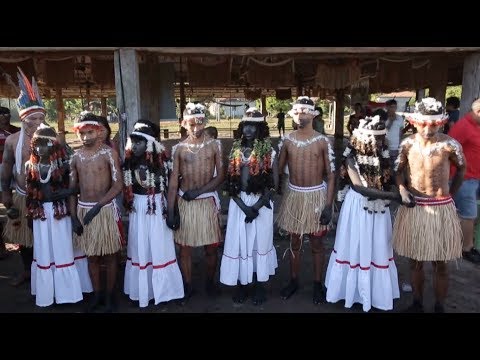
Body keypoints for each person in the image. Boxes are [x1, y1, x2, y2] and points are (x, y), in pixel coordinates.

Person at [393, 97, 465, 313]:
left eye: (433, 124)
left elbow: (461, 169)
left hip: (441, 207)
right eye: (424, 123)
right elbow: (397, 171)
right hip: (415, 208)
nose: (428, 128)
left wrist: (450, 196)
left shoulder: (449, 145)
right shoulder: (407, 143)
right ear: (415, 122)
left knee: (440, 263)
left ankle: (440, 306)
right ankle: (416, 303)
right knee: (415, 260)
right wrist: (402, 189)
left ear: (441, 122)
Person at [325, 115, 401, 312]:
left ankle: (374, 293)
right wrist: (394, 196)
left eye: (381, 138)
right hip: (358, 207)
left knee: (376, 245)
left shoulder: (383, 158)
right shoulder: (351, 158)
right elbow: (360, 188)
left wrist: (399, 191)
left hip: (379, 209)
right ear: (364, 138)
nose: (379, 142)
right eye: (375, 138)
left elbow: (392, 178)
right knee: (356, 243)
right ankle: (352, 292)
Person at [276, 96, 336, 304]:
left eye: (304, 112)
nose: (300, 116)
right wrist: (276, 189)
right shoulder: (288, 140)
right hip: (294, 196)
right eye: (297, 112)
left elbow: (330, 174)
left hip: (316, 197)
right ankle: (294, 280)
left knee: (317, 242)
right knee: (294, 241)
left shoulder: (322, 141)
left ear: (313, 114)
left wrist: (328, 205)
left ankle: (318, 283)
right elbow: (280, 168)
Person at [166, 102, 225, 302]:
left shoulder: (215, 145)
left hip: (206, 201)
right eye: (191, 124)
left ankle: (210, 282)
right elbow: (174, 180)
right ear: (184, 124)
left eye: (199, 123)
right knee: (185, 248)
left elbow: (220, 177)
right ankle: (188, 285)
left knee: (211, 248)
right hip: (185, 202)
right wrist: (171, 209)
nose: (196, 128)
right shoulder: (179, 149)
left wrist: (199, 191)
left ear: (205, 122)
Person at [220, 107, 279, 305]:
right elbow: (229, 183)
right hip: (240, 204)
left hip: (260, 204)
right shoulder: (235, 150)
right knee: (239, 242)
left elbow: (273, 184)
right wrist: (244, 207)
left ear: (261, 128)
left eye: (254, 126)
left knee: (259, 243)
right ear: (241, 127)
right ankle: (242, 284)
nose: (249, 129)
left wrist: (257, 207)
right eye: (246, 125)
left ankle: (259, 285)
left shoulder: (269, 151)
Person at [122, 119, 184, 307]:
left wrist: (172, 211)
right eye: (133, 141)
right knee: (139, 247)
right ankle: (142, 292)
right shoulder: (129, 162)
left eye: (139, 141)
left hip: (157, 207)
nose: (135, 145)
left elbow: (171, 188)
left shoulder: (163, 163)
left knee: (160, 247)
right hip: (138, 209)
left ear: (149, 143)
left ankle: (165, 292)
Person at [25, 124, 88, 307]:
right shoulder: (30, 165)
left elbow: (75, 189)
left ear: (53, 145)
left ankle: (68, 294)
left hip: (60, 215)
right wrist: (30, 215)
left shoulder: (64, 165)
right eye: (37, 144)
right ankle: (47, 293)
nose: (39, 148)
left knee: (63, 251)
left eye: (44, 144)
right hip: (41, 216)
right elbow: (30, 194)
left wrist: (74, 216)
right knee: (45, 252)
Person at [69, 114, 124, 312]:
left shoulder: (109, 153)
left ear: (99, 131)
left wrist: (99, 206)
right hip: (84, 209)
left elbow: (118, 185)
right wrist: (74, 216)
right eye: (82, 133)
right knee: (91, 256)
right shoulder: (75, 157)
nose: (85, 137)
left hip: (105, 210)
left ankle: (110, 296)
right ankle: (96, 295)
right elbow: (73, 189)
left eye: (89, 132)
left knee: (109, 256)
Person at [1, 68, 45, 286]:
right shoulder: (12, 141)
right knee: (24, 239)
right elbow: (7, 167)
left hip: (45, 196)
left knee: (44, 236)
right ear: (24, 118)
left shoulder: (50, 138)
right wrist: (4, 193)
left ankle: (46, 270)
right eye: (33, 118)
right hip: (21, 195)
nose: (38, 122)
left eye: (41, 117)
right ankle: (27, 271)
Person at [448, 98, 480, 264]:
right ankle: (466, 248)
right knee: (468, 214)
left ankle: (467, 243)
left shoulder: (476, 126)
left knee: (470, 214)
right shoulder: (463, 126)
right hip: (464, 178)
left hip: (475, 177)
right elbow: (448, 151)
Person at [0, 106, 20, 260]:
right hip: (2, 168)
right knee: (6, 201)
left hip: (14, 168)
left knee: (16, 203)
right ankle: (3, 245)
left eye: (7, 113)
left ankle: (19, 236)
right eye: (1, 114)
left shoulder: (15, 131)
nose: (4, 116)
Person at [385, 99, 406, 171]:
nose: (393, 109)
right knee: (386, 166)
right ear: (387, 107)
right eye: (391, 107)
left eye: (395, 107)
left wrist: (400, 144)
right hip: (386, 145)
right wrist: (391, 121)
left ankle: (395, 181)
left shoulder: (400, 118)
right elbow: (384, 130)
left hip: (396, 146)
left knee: (396, 167)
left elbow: (401, 132)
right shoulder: (383, 117)